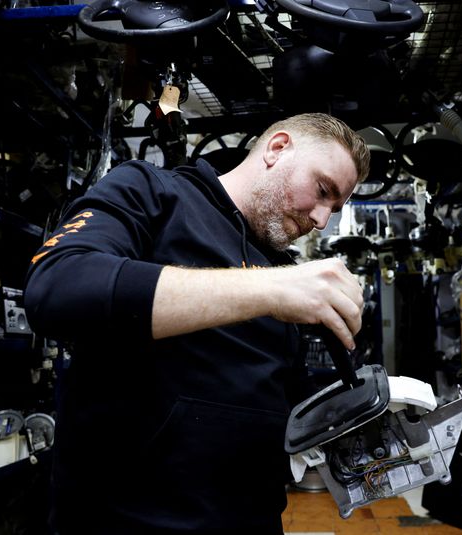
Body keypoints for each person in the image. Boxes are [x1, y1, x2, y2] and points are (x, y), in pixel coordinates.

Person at [23, 112, 371, 534]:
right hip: (127, 522)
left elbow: (282, 403)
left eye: (334, 208)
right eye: (322, 191)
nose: (321, 219)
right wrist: (273, 289)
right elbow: (57, 286)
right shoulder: (152, 191)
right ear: (278, 149)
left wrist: (359, 428)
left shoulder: (281, 267)